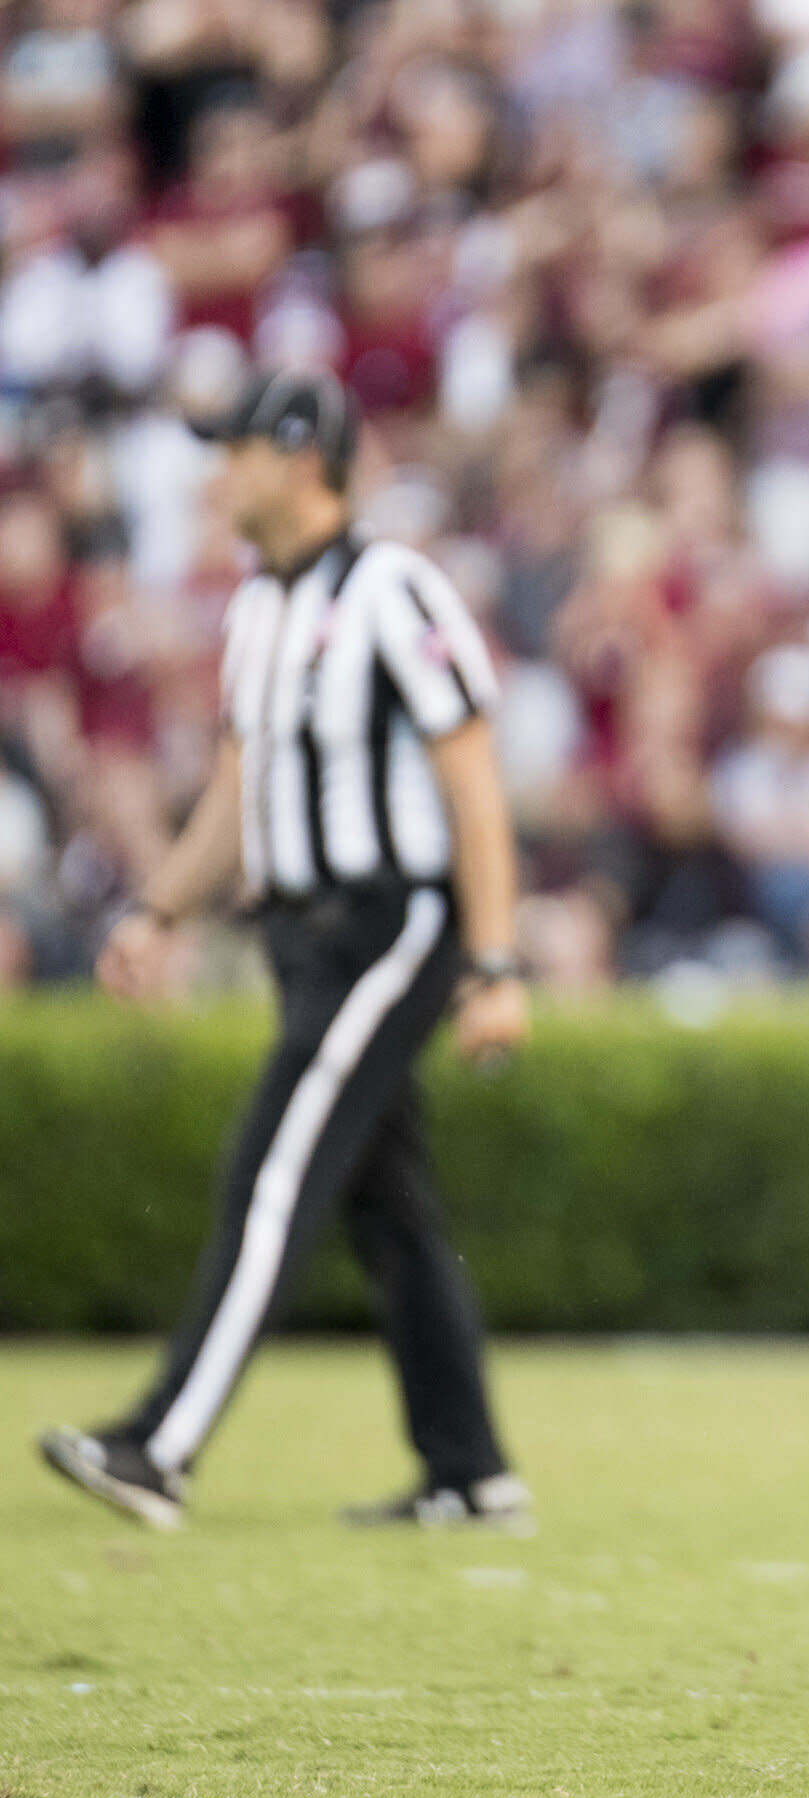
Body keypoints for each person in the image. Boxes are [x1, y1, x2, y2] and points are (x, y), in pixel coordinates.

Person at [38, 370, 536, 1534]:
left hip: (391, 921)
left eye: (236, 448)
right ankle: (469, 1469)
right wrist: (159, 907)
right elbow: (238, 787)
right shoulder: (258, 608)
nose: (217, 473)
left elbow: (474, 786)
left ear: (301, 454)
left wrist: (497, 963)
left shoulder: (394, 588)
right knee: (388, 1206)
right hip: (300, 937)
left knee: (272, 1170)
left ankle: (160, 1442)